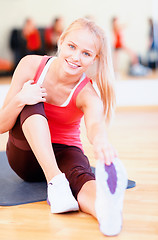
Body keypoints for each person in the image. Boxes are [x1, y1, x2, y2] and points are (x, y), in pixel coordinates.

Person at [0, 18, 128, 236]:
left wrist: (101, 142)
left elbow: (95, 125)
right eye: (72, 46)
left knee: (82, 176)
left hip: (64, 151)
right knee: (33, 98)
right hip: (25, 156)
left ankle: (105, 210)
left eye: (86, 54)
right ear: (61, 41)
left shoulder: (88, 94)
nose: (76, 57)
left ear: (94, 59)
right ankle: (56, 182)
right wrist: (21, 98)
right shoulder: (31, 65)